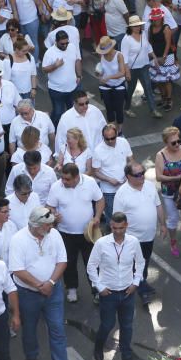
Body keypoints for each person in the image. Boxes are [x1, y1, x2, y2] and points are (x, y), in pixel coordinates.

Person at [8, 206, 80, 360]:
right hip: (27, 294)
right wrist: (39, 285)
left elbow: (62, 261)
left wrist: (51, 283)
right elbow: (17, 270)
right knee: (30, 328)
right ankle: (31, 356)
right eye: (47, 225)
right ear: (36, 225)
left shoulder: (53, 235)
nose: (51, 228)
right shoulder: (18, 240)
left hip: (52, 292)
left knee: (57, 330)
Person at [86, 211, 144, 360]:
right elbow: (91, 266)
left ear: (126, 226)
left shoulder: (133, 242)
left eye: (121, 228)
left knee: (127, 326)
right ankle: (98, 347)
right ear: (110, 226)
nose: (118, 231)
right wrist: (99, 287)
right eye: (114, 228)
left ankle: (126, 355)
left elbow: (140, 262)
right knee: (107, 324)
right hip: (108, 294)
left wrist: (135, 283)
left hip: (127, 292)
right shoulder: (101, 243)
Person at [46, 163, 104, 303]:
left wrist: (97, 217)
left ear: (77, 177)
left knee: (92, 262)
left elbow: (100, 200)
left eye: (67, 179)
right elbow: (50, 206)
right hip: (65, 233)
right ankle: (71, 288)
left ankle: (96, 289)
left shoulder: (90, 183)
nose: (63, 181)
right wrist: (53, 216)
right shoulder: (56, 186)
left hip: (88, 233)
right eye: (62, 178)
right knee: (69, 262)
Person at [114, 160, 165, 302]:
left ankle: (141, 282)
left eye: (142, 173)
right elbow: (117, 218)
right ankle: (141, 289)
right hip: (132, 238)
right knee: (137, 264)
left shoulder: (149, 186)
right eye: (137, 175)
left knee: (145, 261)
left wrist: (163, 225)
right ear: (128, 176)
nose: (141, 176)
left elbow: (158, 205)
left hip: (149, 236)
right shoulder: (121, 194)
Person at [154, 127, 181, 257]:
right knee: (173, 218)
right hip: (170, 192)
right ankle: (173, 241)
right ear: (166, 142)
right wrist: (176, 178)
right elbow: (159, 177)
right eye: (173, 142)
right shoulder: (161, 155)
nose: (177, 144)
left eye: (178, 141)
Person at [90, 123, 132, 224]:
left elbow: (130, 160)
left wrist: (128, 174)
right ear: (103, 137)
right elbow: (95, 172)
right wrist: (109, 180)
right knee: (113, 217)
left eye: (112, 138)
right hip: (109, 191)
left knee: (128, 213)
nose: (110, 141)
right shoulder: (98, 151)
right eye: (107, 139)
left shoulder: (123, 142)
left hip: (125, 186)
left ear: (117, 134)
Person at [121, 15, 161, 119]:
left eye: (138, 25)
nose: (137, 28)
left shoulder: (143, 34)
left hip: (144, 66)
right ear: (130, 27)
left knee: (148, 88)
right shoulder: (126, 39)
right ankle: (127, 108)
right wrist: (127, 71)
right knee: (130, 89)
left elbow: (148, 46)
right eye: (135, 26)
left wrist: (154, 57)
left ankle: (153, 110)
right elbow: (124, 57)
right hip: (132, 69)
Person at [42, 30, 82, 125]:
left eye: (66, 43)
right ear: (56, 41)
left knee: (73, 112)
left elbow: (77, 60)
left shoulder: (72, 47)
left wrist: (79, 75)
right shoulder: (50, 52)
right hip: (56, 90)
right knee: (58, 113)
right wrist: (55, 65)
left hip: (72, 88)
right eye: (62, 44)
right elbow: (44, 69)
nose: (65, 45)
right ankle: (52, 130)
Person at [95, 36, 127, 128]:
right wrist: (99, 74)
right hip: (106, 85)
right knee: (109, 108)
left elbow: (122, 72)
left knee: (119, 109)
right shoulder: (102, 55)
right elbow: (102, 70)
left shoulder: (119, 55)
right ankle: (112, 129)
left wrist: (108, 77)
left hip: (119, 85)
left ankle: (120, 130)